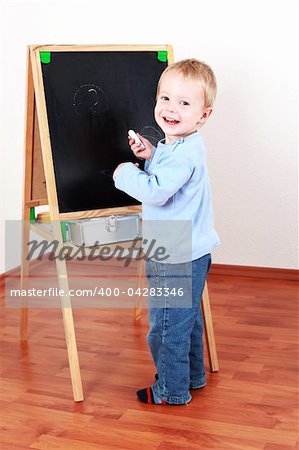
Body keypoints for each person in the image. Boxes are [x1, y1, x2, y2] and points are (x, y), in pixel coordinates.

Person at [113, 59, 220, 405]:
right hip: (194, 251)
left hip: (174, 255)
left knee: (165, 328)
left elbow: (158, 190)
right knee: (186, 322)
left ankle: (171, 390)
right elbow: (172, 168)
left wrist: (124, 173)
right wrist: (152, 153)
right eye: (165, 98)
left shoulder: (180, 156)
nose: (171, 109)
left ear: (204, 114)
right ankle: (192, 376)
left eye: (185, 103)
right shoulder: (185, 147)